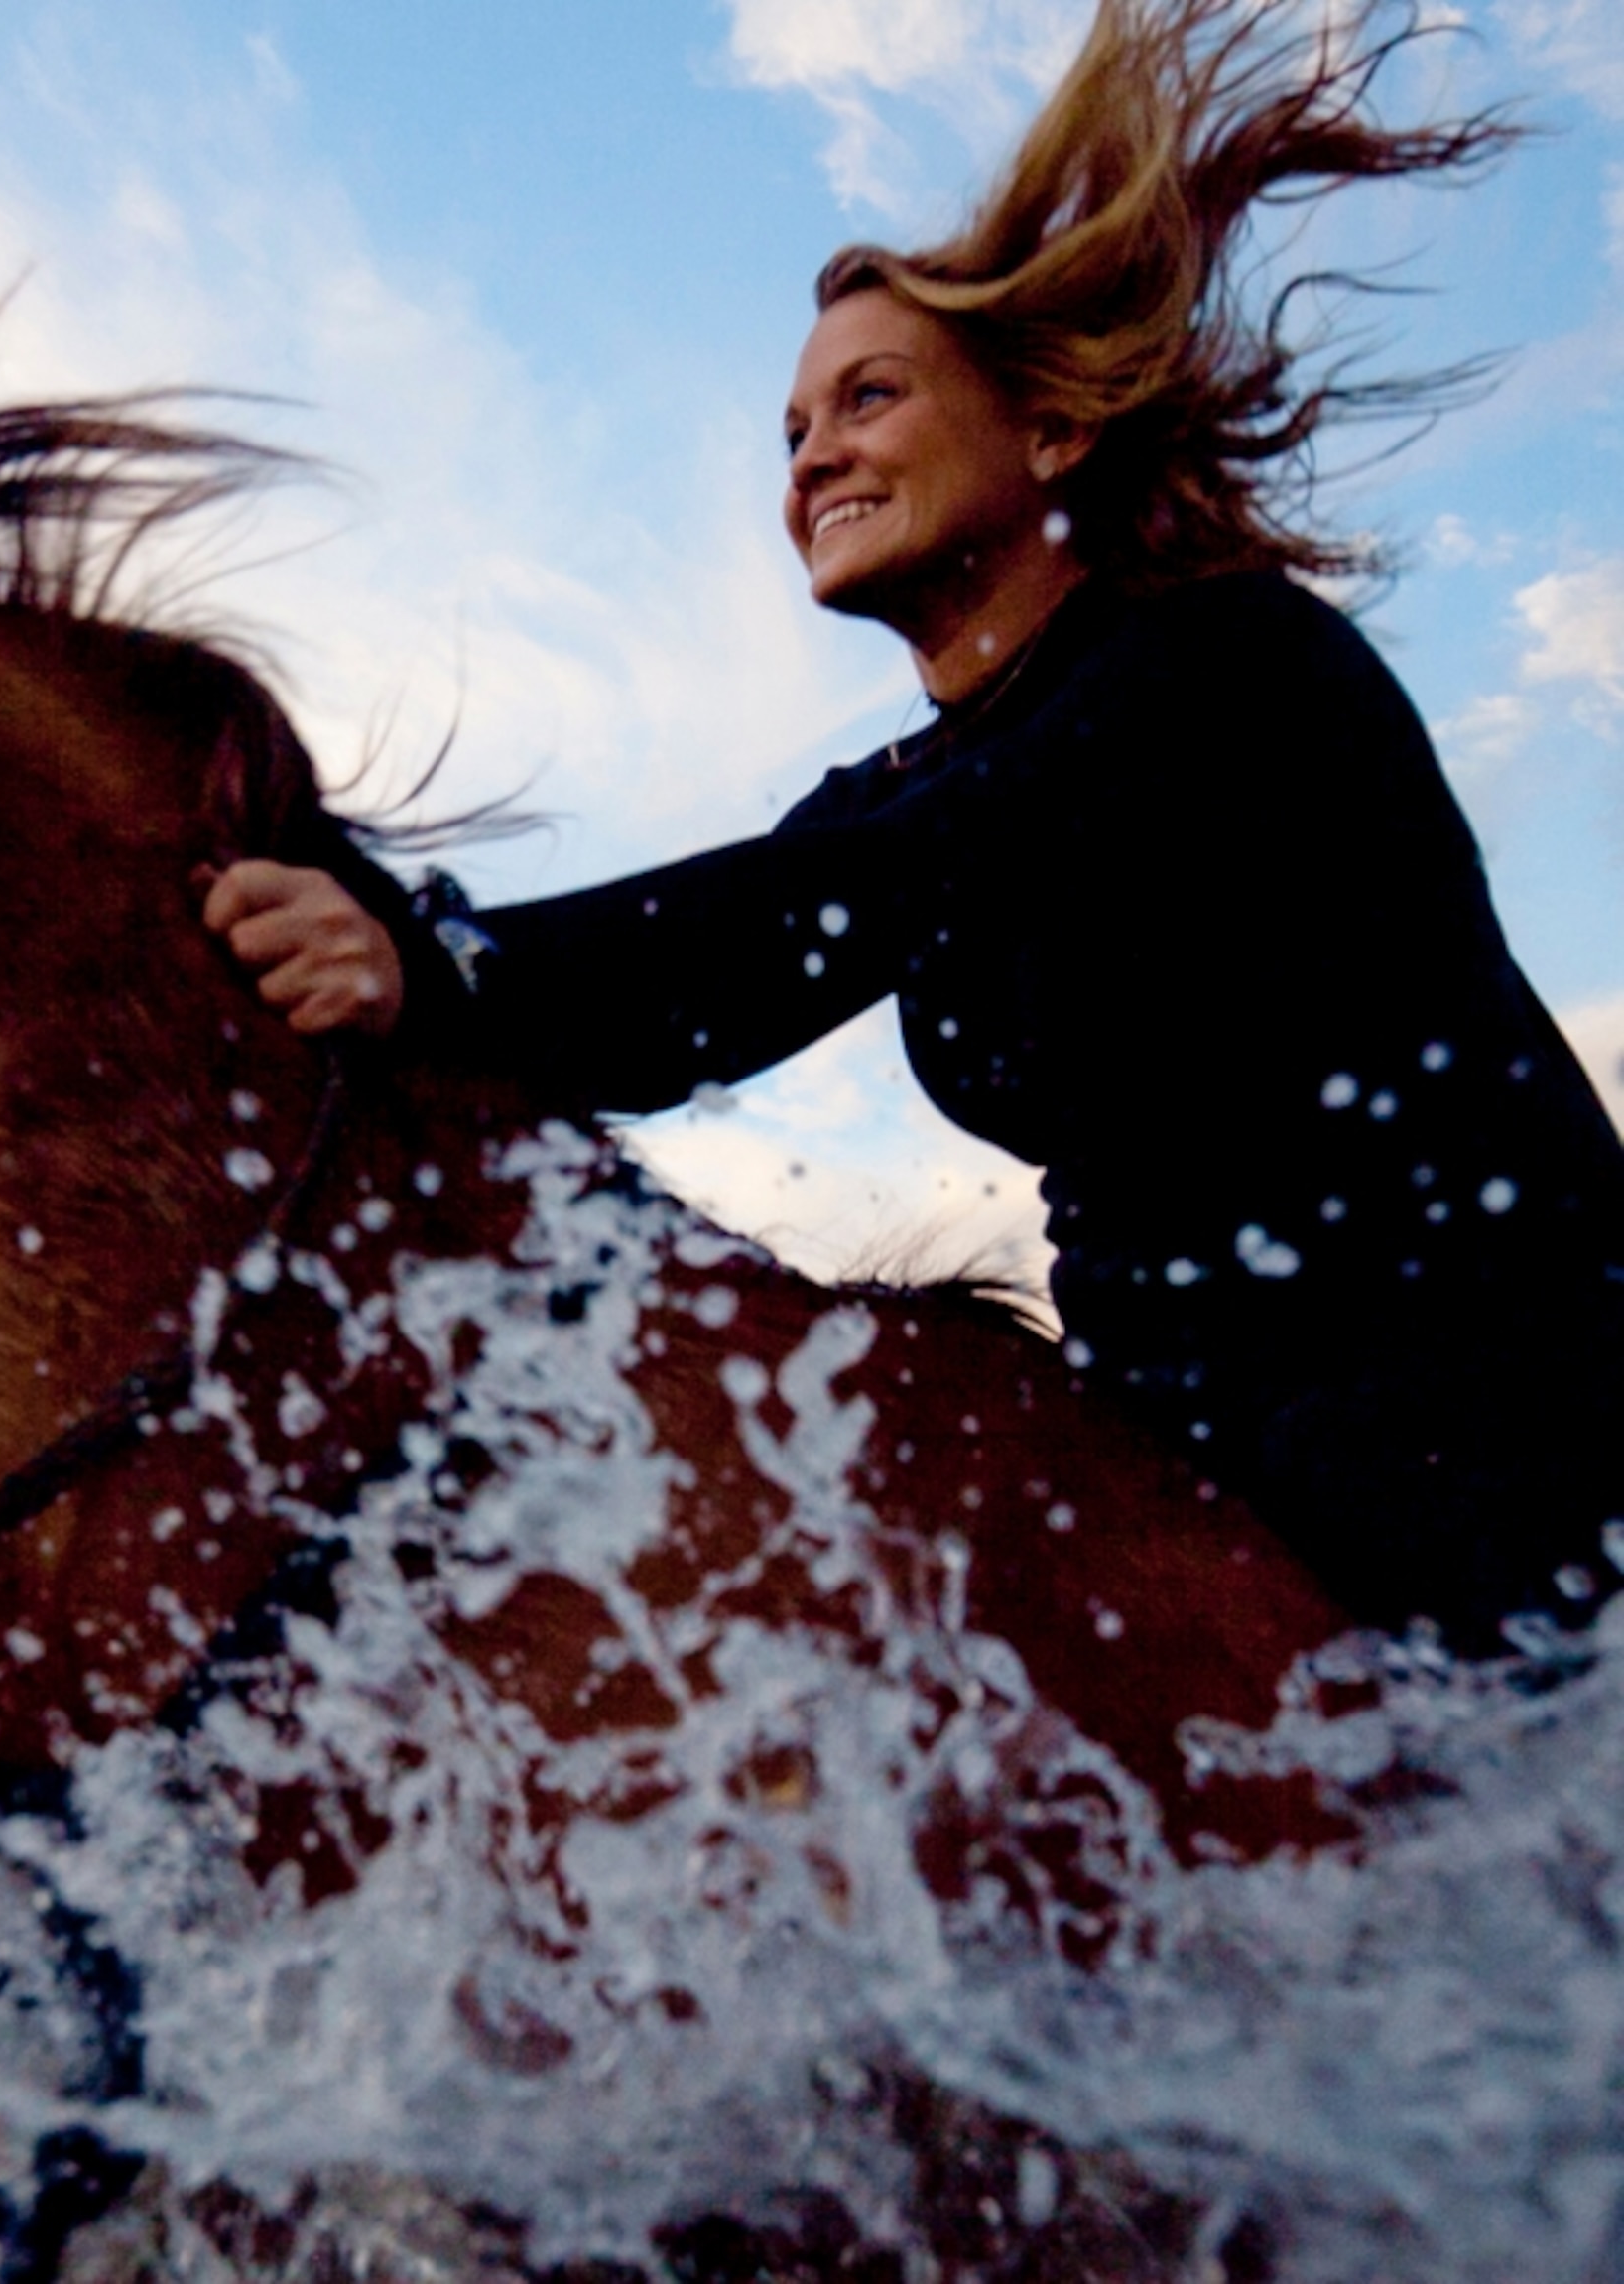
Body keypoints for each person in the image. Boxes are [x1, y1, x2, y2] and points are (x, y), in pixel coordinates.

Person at [205, 0, 1624, 1651]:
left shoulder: (1223, 661)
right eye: (794, 432)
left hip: (1518, 1478)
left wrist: (435, 961)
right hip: (1196, 1495)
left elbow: (824, 906)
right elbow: (697, 985)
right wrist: (359, 931)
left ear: (1051, 428)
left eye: (865, 398)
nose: (813, 459)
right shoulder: (910, 789)